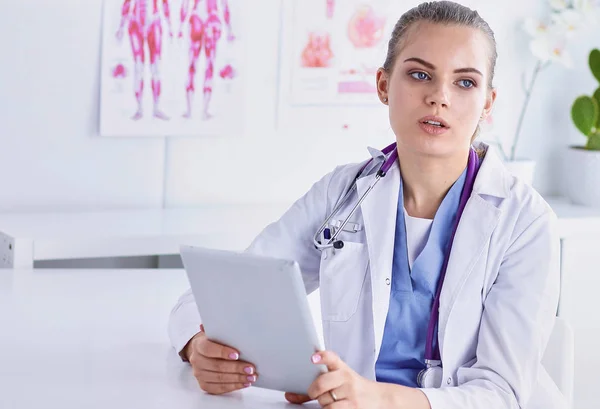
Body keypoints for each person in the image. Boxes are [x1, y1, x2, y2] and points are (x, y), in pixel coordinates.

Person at [168, 2, 566, 408]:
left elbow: (501, 394)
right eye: (419, 74)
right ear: (383, 85)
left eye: (465, 83)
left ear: (487, 102)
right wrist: (200, 346)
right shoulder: (343, 194)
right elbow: (216, 295)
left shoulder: (524, 221)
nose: (438, 97)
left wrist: (377, 398)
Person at [116, 0, 173, 121]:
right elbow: (127, 3)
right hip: (135, 23)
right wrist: (121, 26)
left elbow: (165, 3)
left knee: (156, 67)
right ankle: (139, 108)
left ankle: (156, 107)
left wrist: (170, 25)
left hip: (154, 22)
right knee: (138, 67)